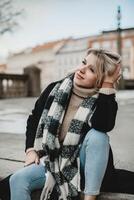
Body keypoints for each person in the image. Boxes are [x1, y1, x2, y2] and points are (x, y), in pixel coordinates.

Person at [0, 48, 134, 200]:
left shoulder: (104, 100)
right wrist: (30, 149)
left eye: (91, 69)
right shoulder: (55, 89)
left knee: (98, 136)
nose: (82, 70)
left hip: (84, 167)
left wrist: (108, 85)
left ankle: (90, 197)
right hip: (52, 162)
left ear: (102, 78)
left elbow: (102, 126)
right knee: (17, 180)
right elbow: (34, 118)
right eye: (84, 62)